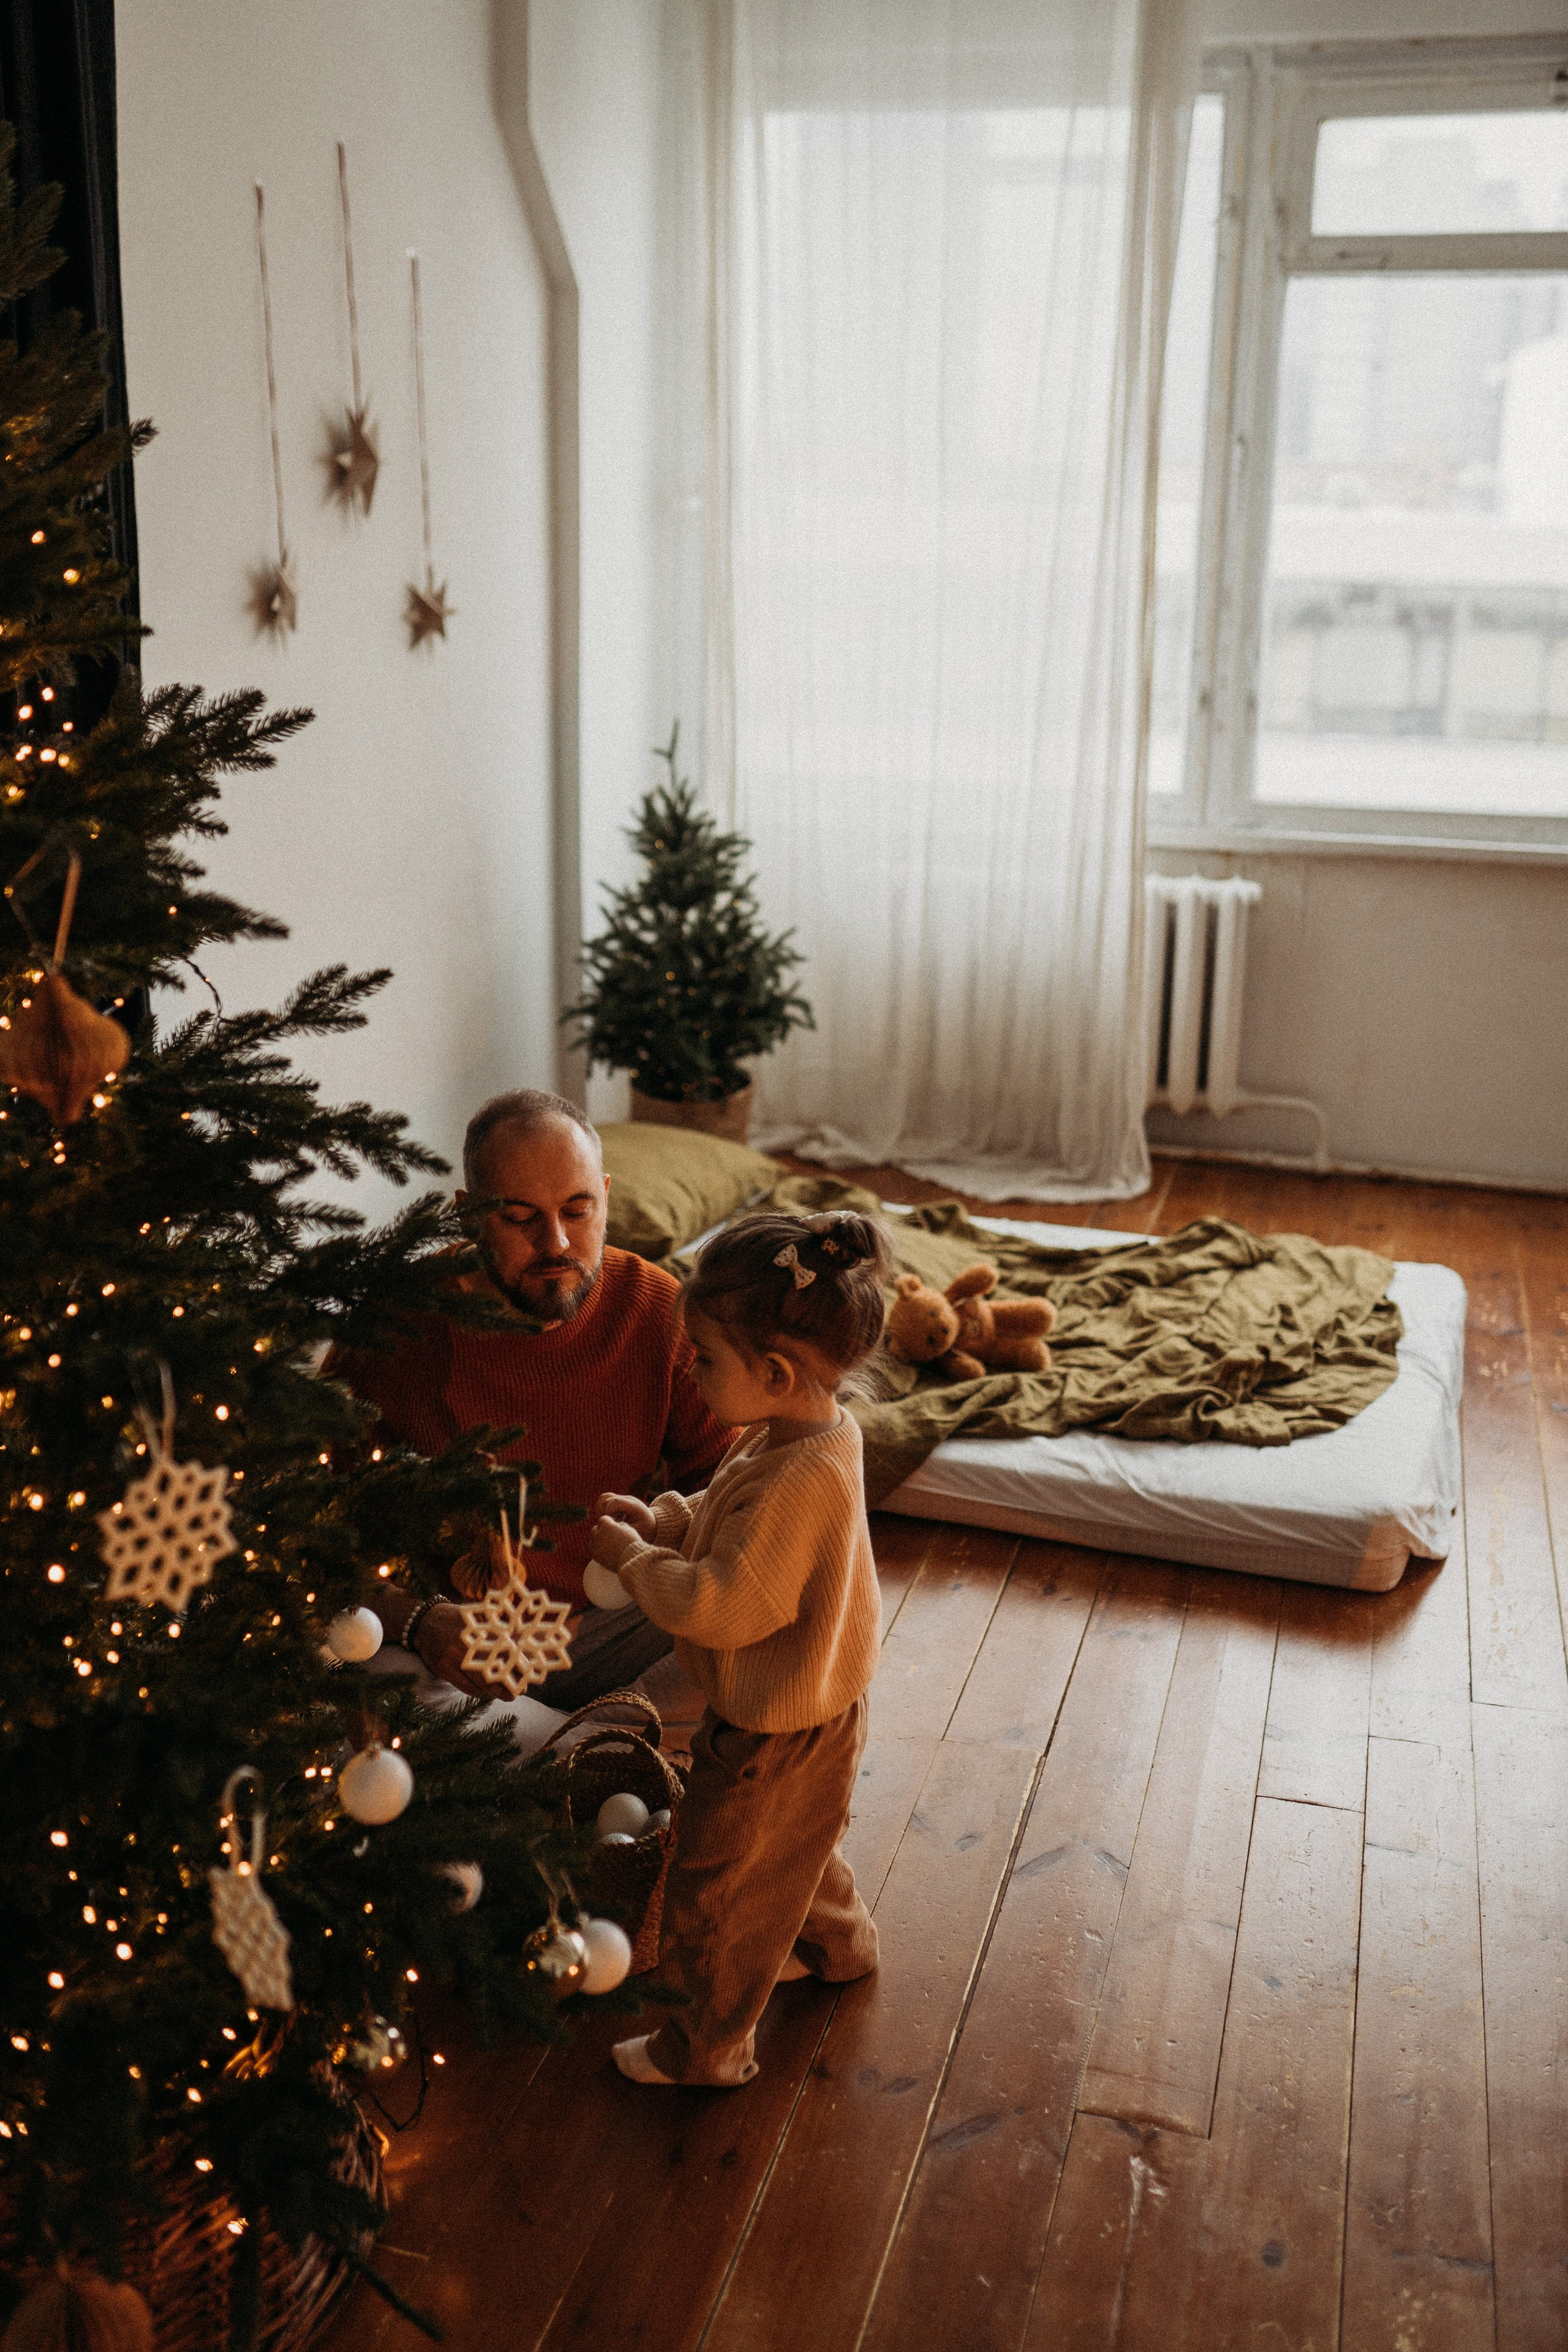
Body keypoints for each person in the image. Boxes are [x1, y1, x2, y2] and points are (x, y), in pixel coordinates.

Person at [589, 1208, 888, 2087]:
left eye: (705, 1358)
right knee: (797, 1841)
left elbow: (724, 1604)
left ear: (776, 1371)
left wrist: (636, 1561)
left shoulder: (802, 1476)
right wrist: (668, 1521)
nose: (691, 1367)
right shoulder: (802, 1433)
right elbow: (730, 1511)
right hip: (819, 1707)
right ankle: (843, 1948)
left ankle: (704, 2050)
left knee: (713, 1882)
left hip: (769, 1722)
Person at [329, 1088, 734, 1719]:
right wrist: (420, 1621)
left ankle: (575, 1743)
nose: (557, 1245)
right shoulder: (395, 1327)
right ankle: (586, 1747)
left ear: (604, 1194)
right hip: (458, 1648)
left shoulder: (657, 1310)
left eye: (579, 1211)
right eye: (520, 1218)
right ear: (468, 1216)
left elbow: (734, 1492)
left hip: (620, 1623)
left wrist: (658, 1542)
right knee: (369, 1680)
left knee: (780, 1614)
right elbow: (319, 1522)